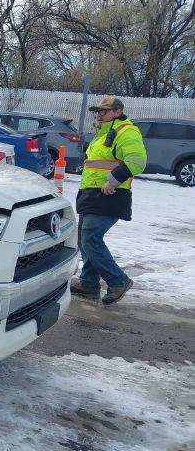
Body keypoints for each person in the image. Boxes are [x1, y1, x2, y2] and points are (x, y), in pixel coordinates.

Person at [70, 97, 147, 305]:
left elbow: (137, 161)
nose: (99, 115)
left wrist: (113, 181)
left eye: (104, 111)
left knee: (90, 239)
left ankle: (118, 280)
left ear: (118, 111)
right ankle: (88, 284)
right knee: (84, 240)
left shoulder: (126, 131)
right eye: (97, 112)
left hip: (109, 195)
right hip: (91, 194)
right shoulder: (101, 134)